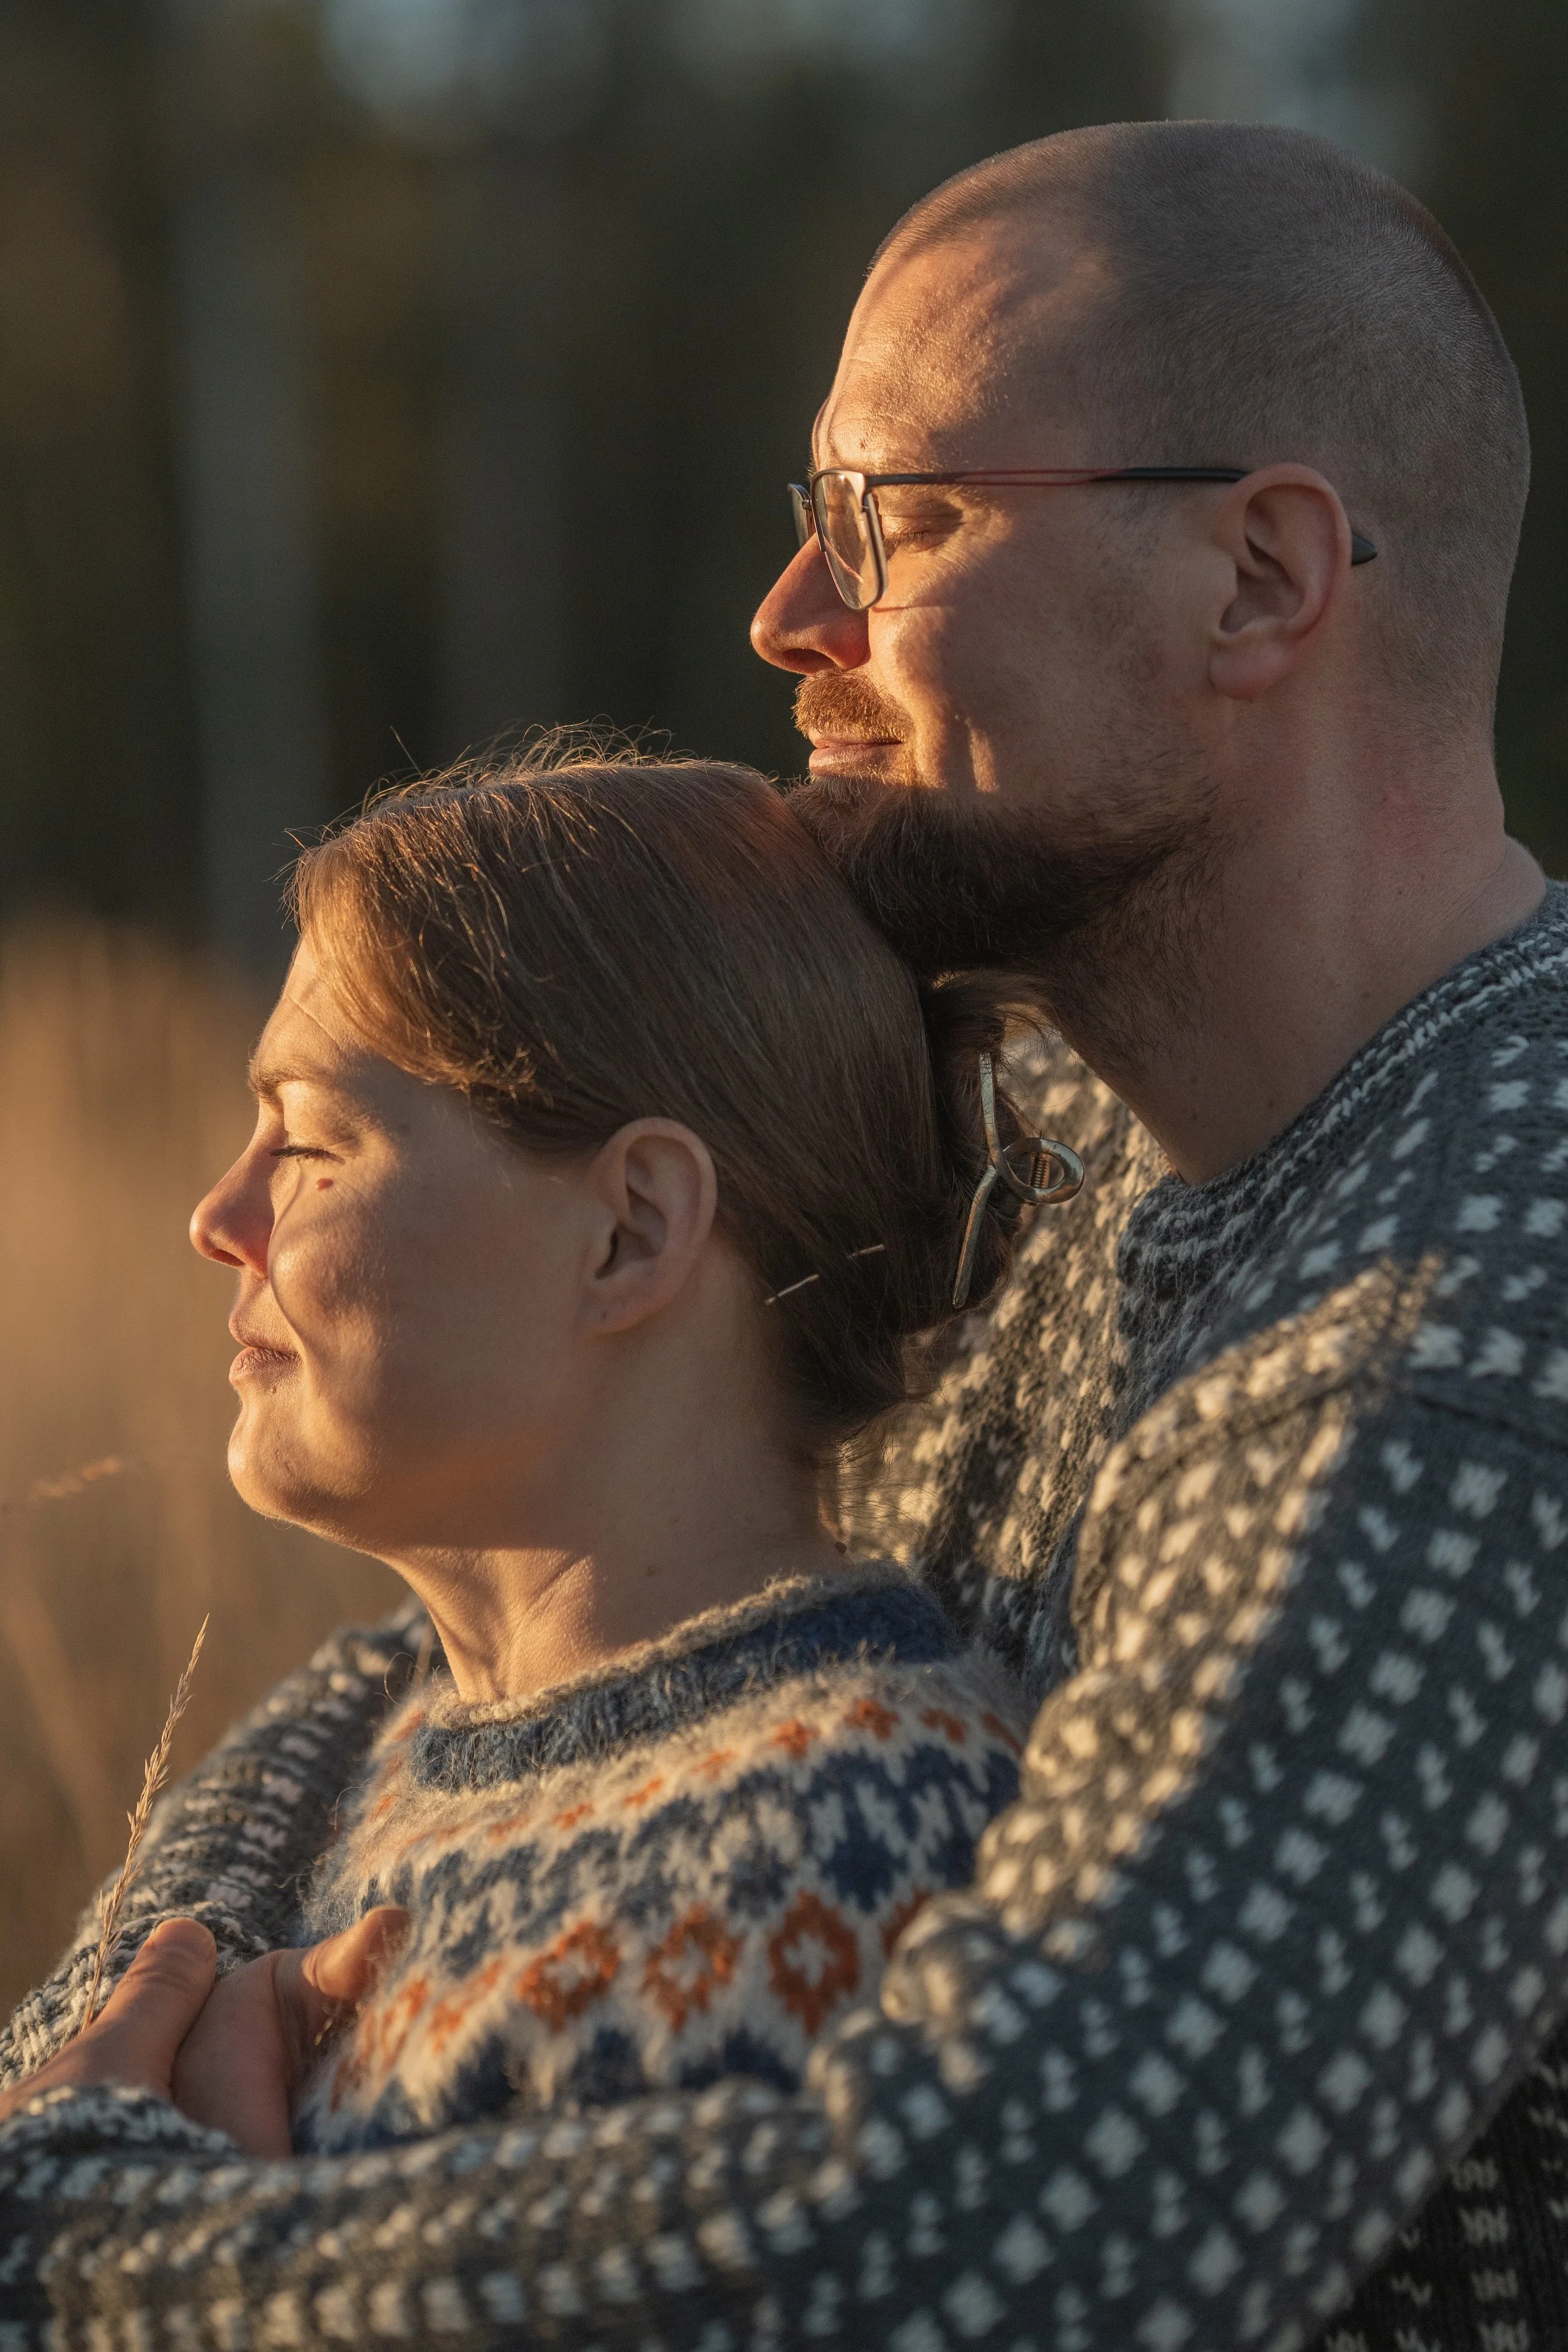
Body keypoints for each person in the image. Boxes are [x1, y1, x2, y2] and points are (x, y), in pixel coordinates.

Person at [3, 116, 1566, 2351]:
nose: (788, 617)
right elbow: (491, 1650)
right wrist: (142, 2006)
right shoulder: (1055, 1137)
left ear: (1257, 579)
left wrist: (89, 2247)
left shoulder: (1484, 1311)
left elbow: (1008, 2234)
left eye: (892, 518)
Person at [13, 755, 1044, 2159]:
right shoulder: (388, 1734)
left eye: (310, 1145)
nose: (218, 1216)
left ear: (628, 1232)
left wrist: (128, 2223)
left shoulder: (833, 1852)